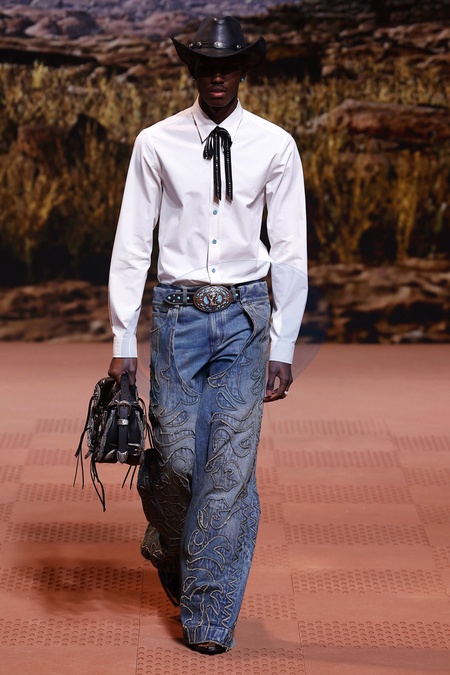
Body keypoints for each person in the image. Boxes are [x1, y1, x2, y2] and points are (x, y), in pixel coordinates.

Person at [107, 15, 308, 655]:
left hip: (245, 318)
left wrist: (283, 343)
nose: (216, 76)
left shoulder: (275, 145)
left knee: (228, 470)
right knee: (172, 461)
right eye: (206, 66)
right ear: (192, 70)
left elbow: (290, 250)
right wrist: (121, 338)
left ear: (243, 70)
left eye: (227, 66)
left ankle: (209, 618)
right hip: (176, 316)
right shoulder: (156, 142)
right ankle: (172, 542)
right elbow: (132, 244)